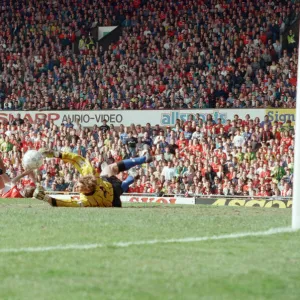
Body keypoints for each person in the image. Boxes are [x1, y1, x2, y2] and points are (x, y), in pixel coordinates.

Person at [33, 149, 152, 207]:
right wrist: (56, 154)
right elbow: (77, 159)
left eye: (78, 186)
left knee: (115, 178)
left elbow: (67, 203)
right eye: (78, 185)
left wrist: (45, 198)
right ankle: (140, 164)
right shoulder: (90, 175)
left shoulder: (87, 200)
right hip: (109, 188)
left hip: (111, 198)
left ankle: (132, 176)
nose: (76, 186)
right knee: (112, 171)